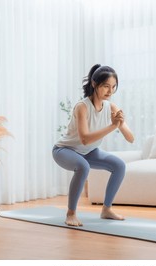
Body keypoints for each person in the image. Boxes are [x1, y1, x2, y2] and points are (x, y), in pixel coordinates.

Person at [52, 64, 134, 227]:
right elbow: (85, 139)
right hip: (64, 150)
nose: (110, 91)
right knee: (83, 166)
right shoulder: (82, 107)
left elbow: (130, 138)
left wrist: (121, 123)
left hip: (88, 152)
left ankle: (106, 210)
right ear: (94, 84)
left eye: (113, 87)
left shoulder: (110, 107)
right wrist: (113, 126)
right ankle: (71, 213)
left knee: (119, 166)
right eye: (106, 86)